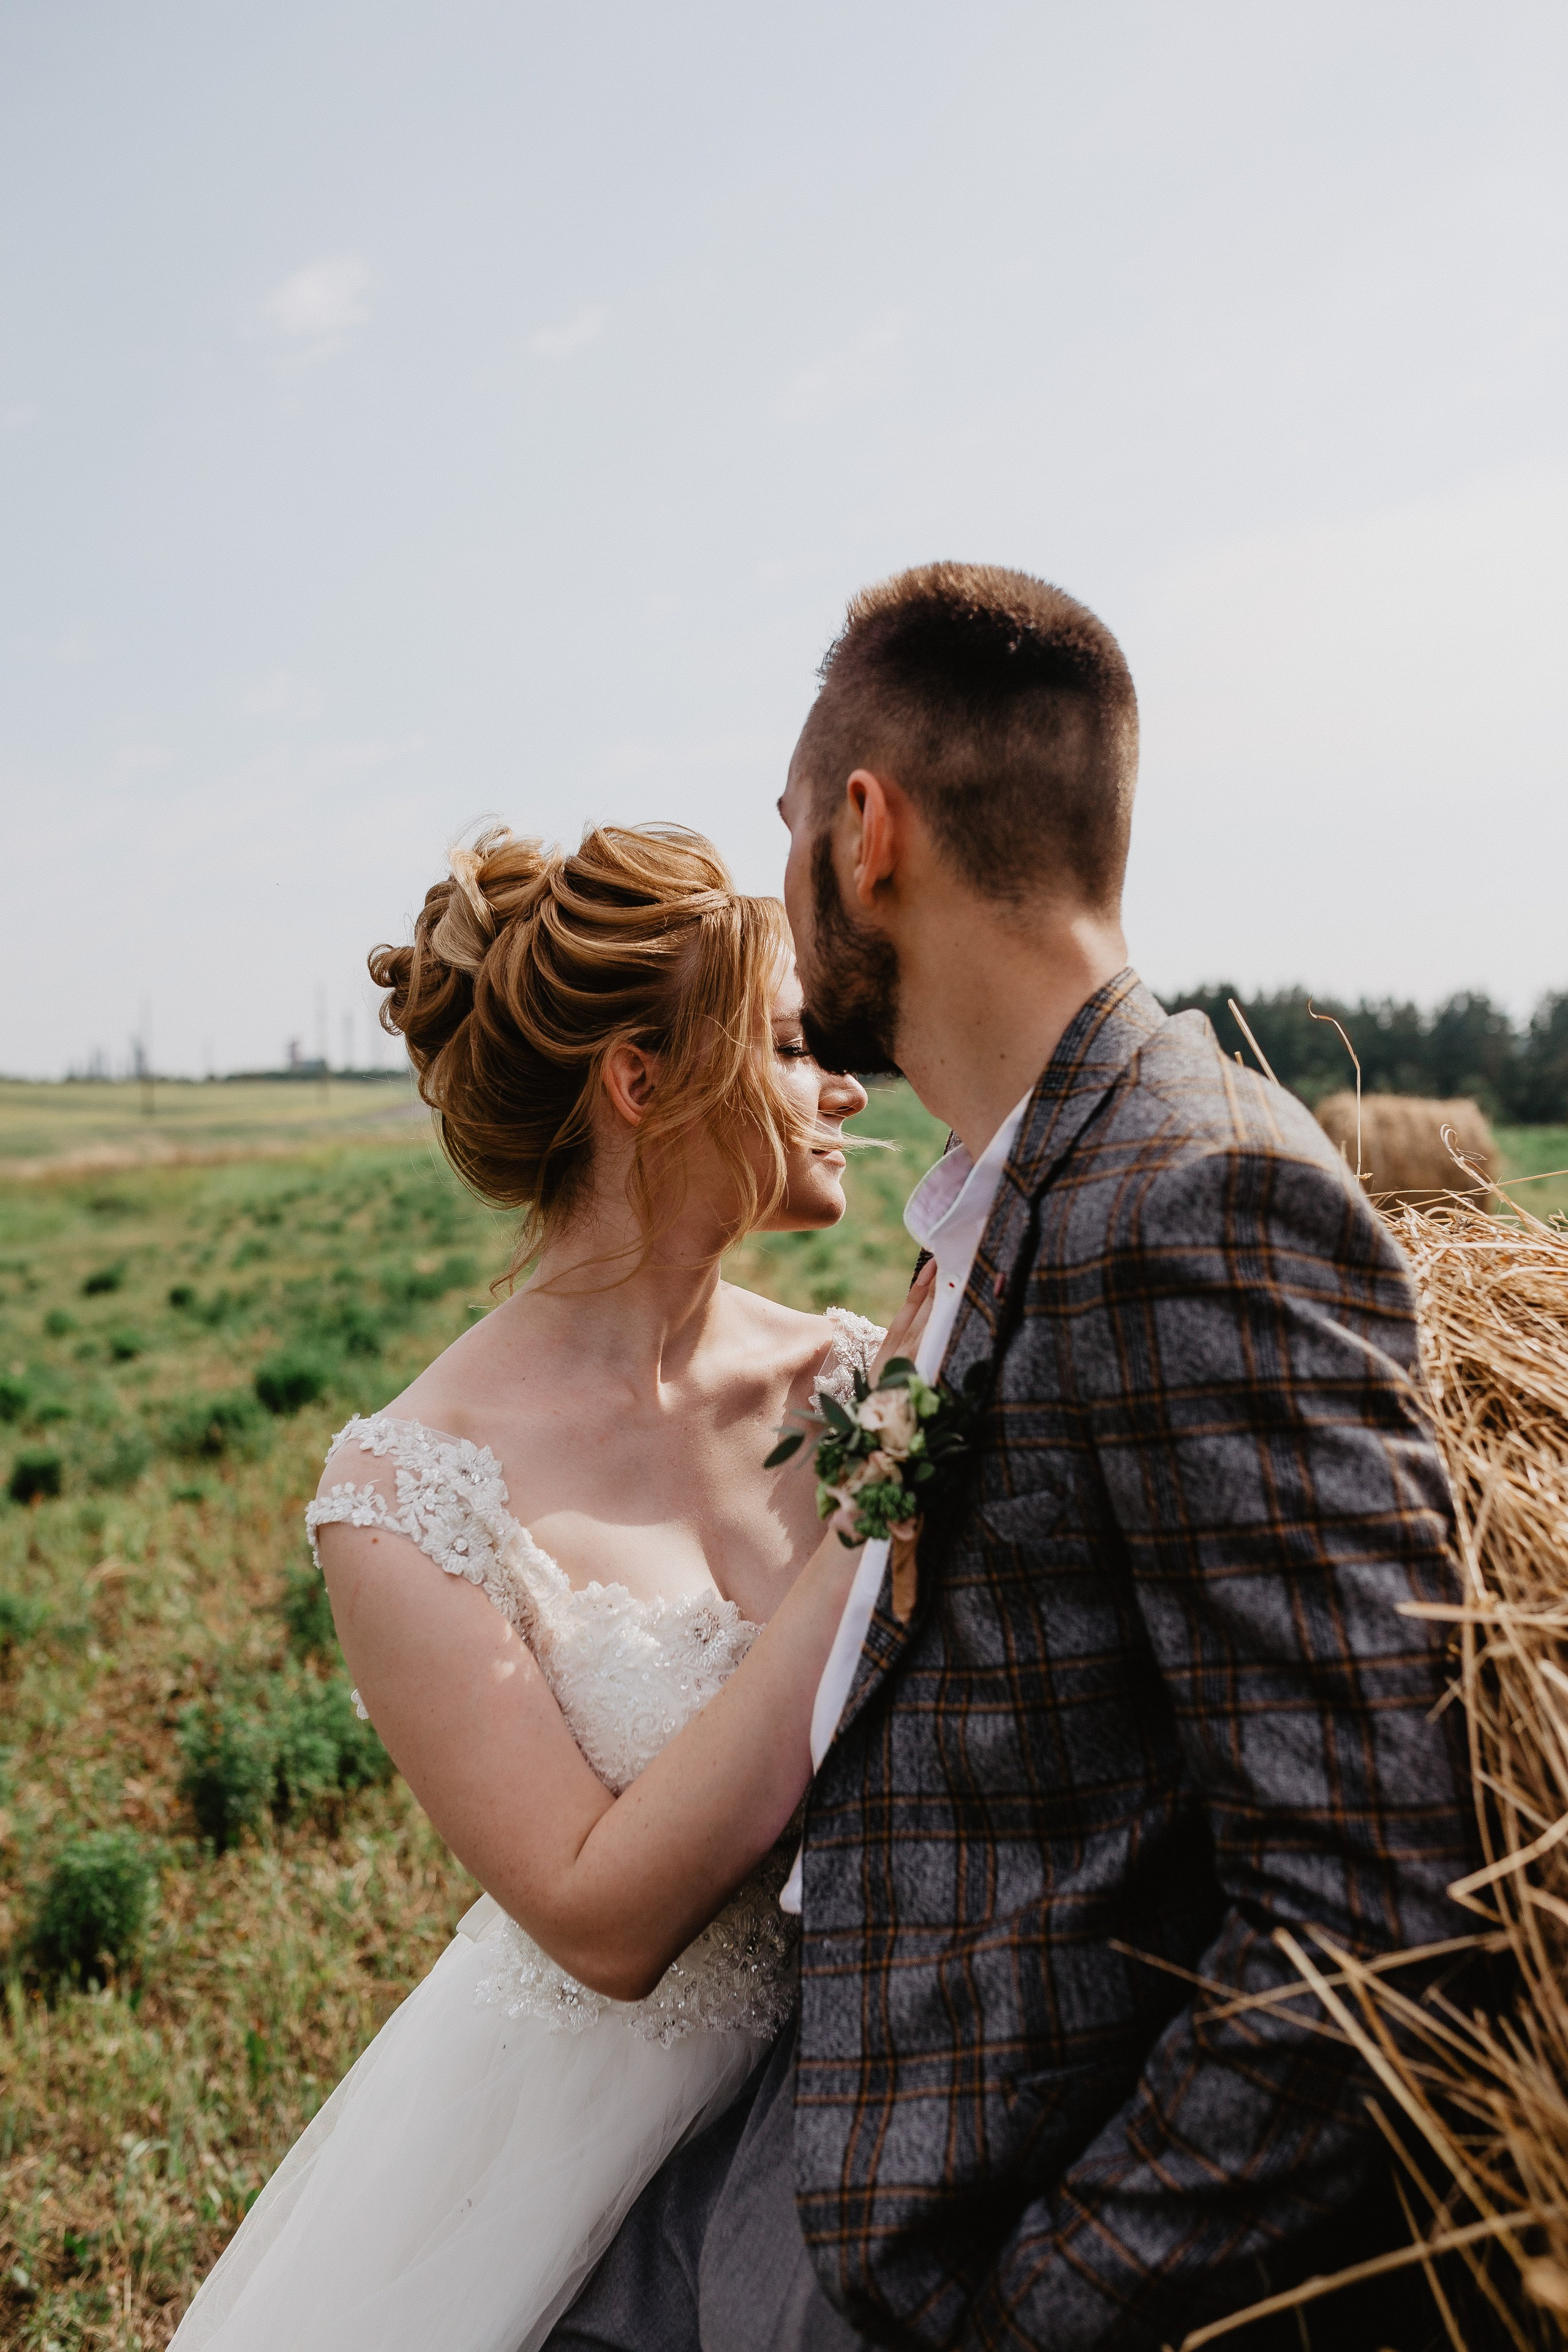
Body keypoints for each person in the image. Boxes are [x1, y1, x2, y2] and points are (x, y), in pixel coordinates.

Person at [549, 565, 1479, 2352]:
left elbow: (1374, 1911)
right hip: (856, 2172)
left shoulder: (1200, 1199)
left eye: (794, 830)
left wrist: (1035, 2317)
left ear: (870, 830)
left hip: (981, 2258)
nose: (788, 894)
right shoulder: (1015, 1191)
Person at [171, 821, 933, 2352]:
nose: (848, 1086)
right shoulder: (403, 1497)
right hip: (576, 2148)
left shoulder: (864, 1372)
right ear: (639, 1084)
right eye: (792, 1046)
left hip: (886, 2095)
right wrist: (866, 1527)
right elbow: (598, 1920)